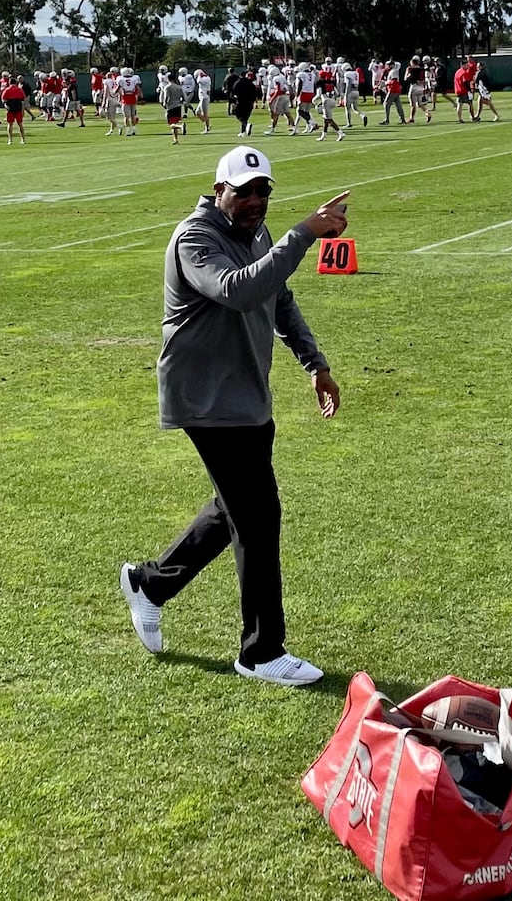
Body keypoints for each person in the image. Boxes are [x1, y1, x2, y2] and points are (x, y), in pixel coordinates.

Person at [119, 146, 349, 686]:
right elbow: (238, 290)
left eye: (263, 191)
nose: (254, 201)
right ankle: (261, 651)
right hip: (204, 399)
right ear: (219, 188)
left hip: (246, 397)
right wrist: (306, 232)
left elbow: (278, 299)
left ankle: (151, 583)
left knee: (234, 508)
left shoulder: (259, 236)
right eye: (243, 190)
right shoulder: (195, 238)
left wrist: (314, 363)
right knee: (259, 515)